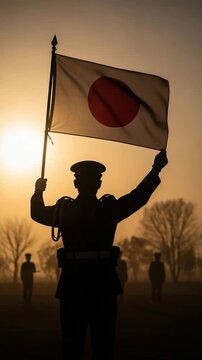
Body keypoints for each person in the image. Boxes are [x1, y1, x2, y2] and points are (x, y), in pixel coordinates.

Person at [30, 150, 168, 360]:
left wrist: (38, 191)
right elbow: (137, 198)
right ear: (99, 185)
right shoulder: (108, 209)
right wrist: (155, 169)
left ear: (76, 184)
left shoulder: (64, 210)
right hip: (102, 283)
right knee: (102, 346)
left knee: (72, 346)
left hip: (73, 283)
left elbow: (37, 213)